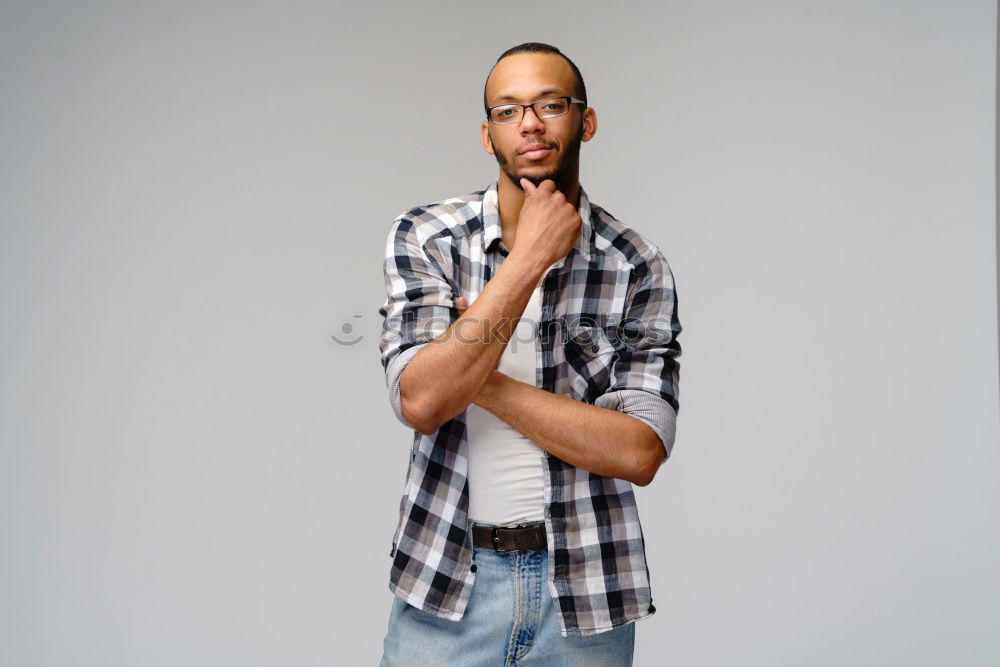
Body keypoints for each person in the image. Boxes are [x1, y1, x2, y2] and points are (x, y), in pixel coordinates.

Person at [376, 42, 682, 666]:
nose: (531, 123)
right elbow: (424, 400)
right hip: (449, 580)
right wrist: (530, 257)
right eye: (509, 110)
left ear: (586, 122)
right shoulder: (428, 237)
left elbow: (638, 450)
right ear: (488, 135)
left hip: (587, 590)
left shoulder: (637, 265)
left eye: (550, 104)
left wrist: (474, 372)